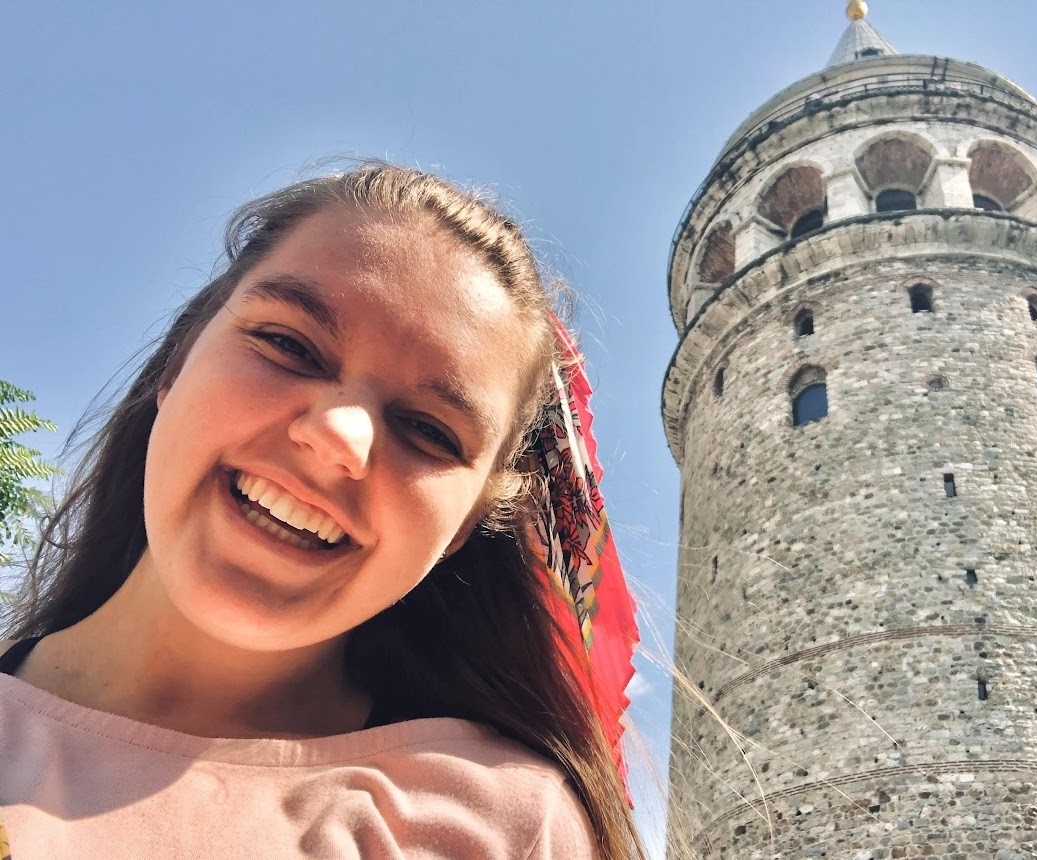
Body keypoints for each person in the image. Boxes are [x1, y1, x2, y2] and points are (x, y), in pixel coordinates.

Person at [0, 163, 644, 859]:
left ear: (464, 525)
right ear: (176, 365)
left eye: (428, 430)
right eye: (288, 346)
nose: (339, 437)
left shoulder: (505, 828)